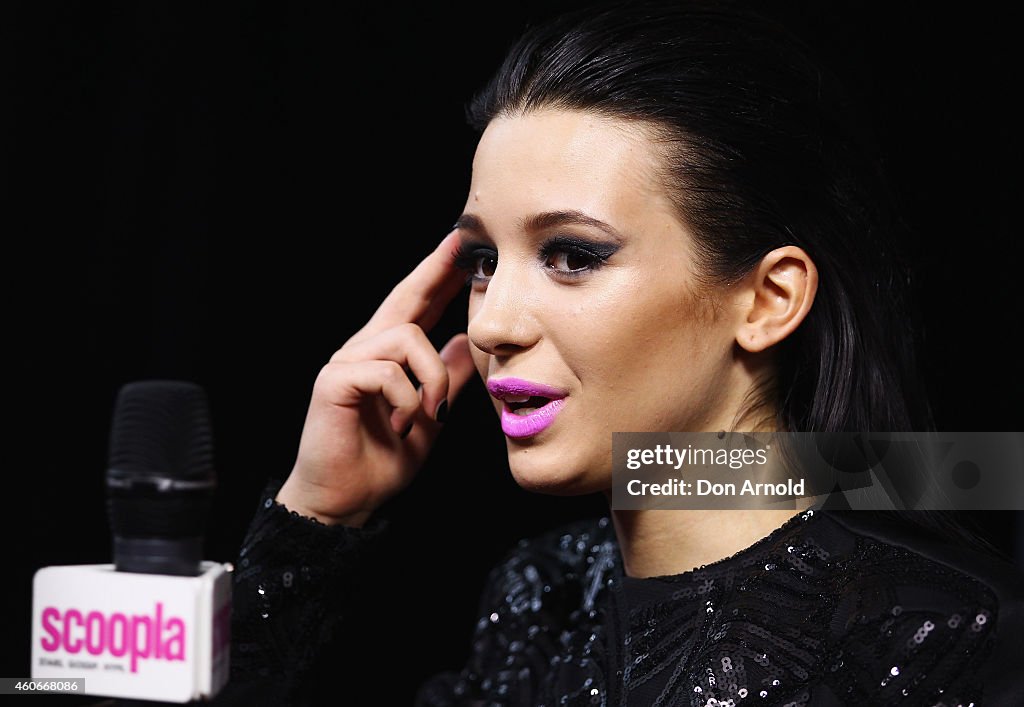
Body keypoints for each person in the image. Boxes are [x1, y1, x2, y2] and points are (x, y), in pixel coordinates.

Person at [212, 1, 1024, 705]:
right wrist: (316, 517)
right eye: (482, 262)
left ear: (769, 298)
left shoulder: (938, 633)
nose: (493, 325)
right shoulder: (542, 595)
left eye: (573, 255)